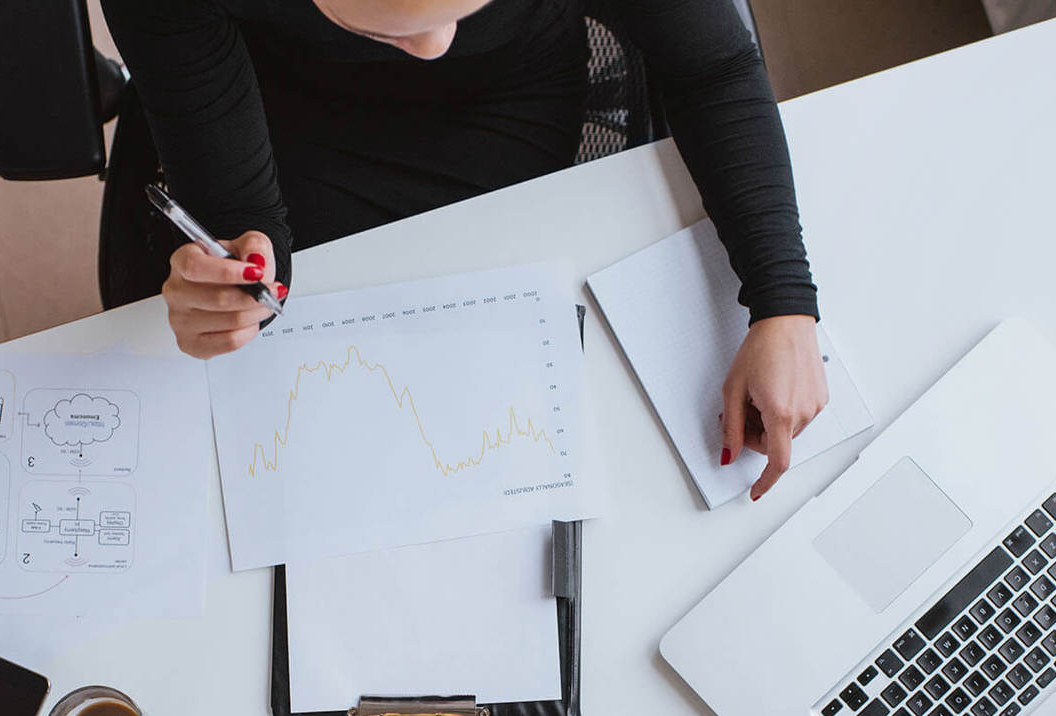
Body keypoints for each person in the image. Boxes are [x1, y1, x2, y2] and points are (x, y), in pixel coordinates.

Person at [102, 0, 828, 498]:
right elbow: (247, 220)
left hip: (508, 92)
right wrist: (243, 276)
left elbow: (714, 69)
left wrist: (783, 303)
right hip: (281, 99)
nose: (433, 44)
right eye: (394, 23)